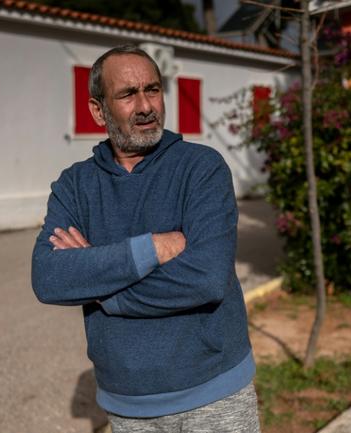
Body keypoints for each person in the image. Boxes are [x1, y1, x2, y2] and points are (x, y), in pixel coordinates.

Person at [31, 44, 260, 433]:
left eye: (152, 90)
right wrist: (152, 247)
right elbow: (49, 277)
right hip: (127, 405)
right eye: (127, 94)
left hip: (214, 393)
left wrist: (103, 287)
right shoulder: (75, 185)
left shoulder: (201, 169)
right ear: (98, 109)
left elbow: (205, 278)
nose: (145, 106)